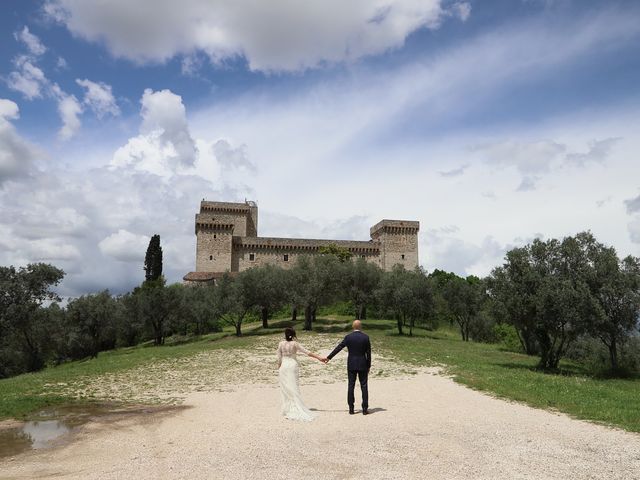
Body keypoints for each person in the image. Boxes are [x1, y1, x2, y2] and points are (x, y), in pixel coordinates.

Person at [324, 320, 371, 415]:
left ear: (353, 327)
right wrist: (368, 365)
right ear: (360, 327)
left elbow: (339, 347)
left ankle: (351, 408)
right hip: (362, 364)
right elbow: (368, 354)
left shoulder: (348, 337)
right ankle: (365, 409)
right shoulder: (365, 337)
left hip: (351, 364)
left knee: (351, 385)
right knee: (364, 386)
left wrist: (329, 357)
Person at [277, 327, 325, 421]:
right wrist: (319, 358)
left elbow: (279, 358)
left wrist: (279, 367)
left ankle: (288, 408)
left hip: (284, 366)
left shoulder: (280, 344)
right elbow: (307, 352)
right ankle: (296, 406)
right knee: (293, 386)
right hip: (292, 365)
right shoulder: (295, 344)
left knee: (286, 388)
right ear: (293, 335)